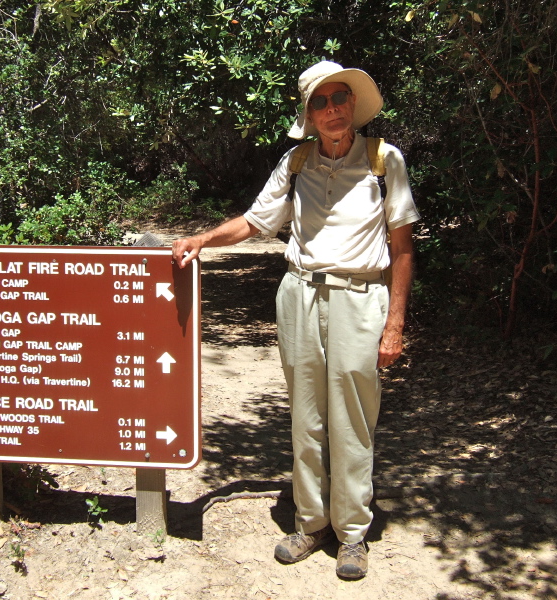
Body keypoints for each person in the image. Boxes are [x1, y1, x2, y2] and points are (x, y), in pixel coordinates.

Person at [172, 61, 420, 579]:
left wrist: (394, 324)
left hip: (360, 299)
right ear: (308, 114)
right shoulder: (296, 162)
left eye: (339, 99)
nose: (332, 109)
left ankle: (352, 533)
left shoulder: (383, 160)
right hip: (300, 295)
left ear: (353, 105)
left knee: (353, 419)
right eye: (320, 102)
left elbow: (401, 248)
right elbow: (254, 220)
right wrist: (202, 240)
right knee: (305, 417)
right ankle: (311, 521)